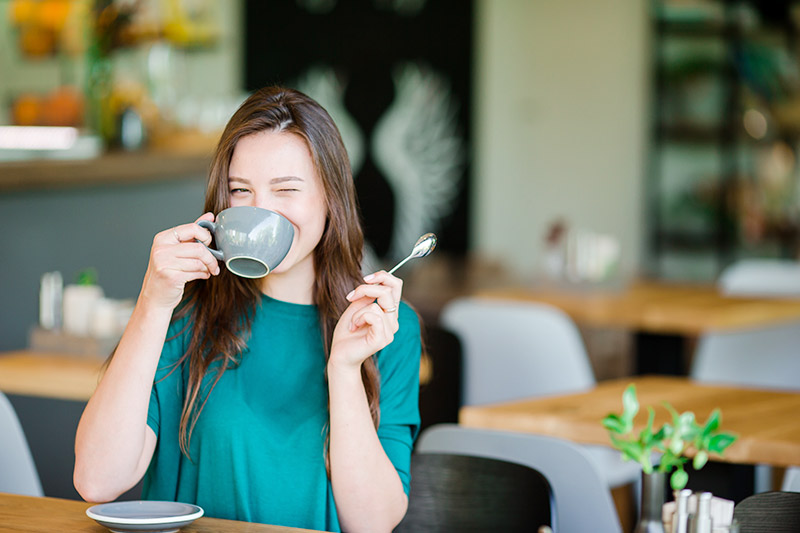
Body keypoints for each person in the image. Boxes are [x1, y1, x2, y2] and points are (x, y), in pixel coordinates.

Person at [74, 87, 421, 533]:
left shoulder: (383, 325)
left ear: (330, 198)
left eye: (286, 190)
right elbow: (97, 480)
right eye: (242, 191)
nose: (261, 212)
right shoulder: (185, 308)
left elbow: (372, 524)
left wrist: (344, 368)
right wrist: (153, 302)